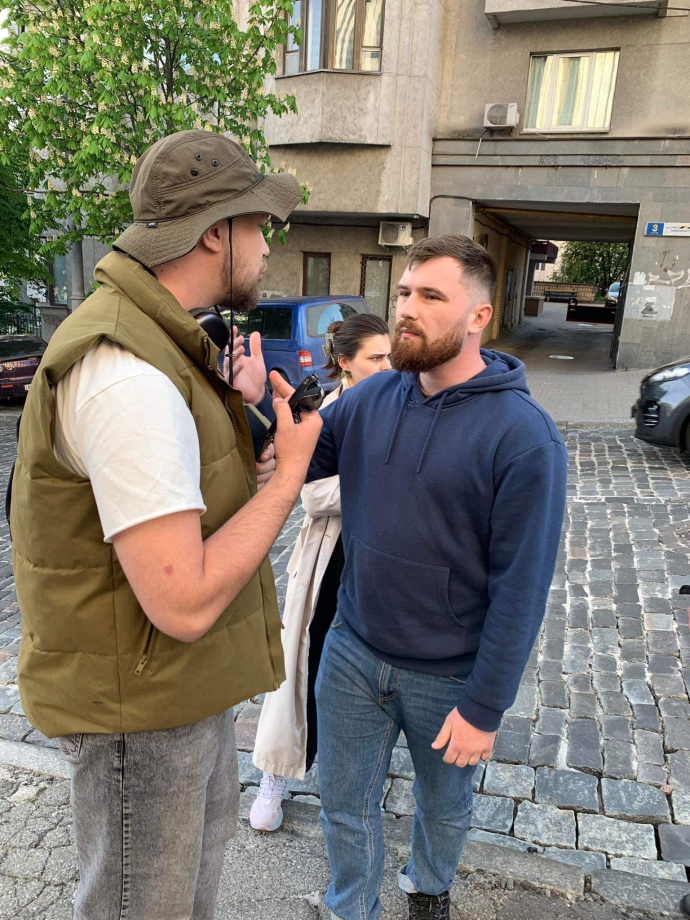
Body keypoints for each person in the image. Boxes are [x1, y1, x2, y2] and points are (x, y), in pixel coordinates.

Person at [10, 129, 323, 920]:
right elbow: (182, 602)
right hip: (142, 713)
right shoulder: (128, 374)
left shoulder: (168, 343)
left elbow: (184, 500)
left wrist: (246, 442)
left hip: (176, 693)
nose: (266, 245)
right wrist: (290, 475)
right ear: (215, 232)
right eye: (258, 225)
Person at [273, 235, 569, 920]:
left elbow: (522, 588)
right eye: (405, 292)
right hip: (353, 651)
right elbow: (304, 460)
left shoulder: (525, 437)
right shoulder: (372, 397)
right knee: (344, 803)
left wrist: (485, 708)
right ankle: (351, 908)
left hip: (451, 674)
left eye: (431, 296)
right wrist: (271, 412)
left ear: (478, 317)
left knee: (443, 805)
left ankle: (428, 889)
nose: (406, 308)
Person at [250, 313, 392, 832]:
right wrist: (387, 488)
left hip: (382, 560)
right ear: (345, 363)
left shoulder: (402, 407)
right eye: (376, 357)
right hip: (329, 558)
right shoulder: (323, 413)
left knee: (371, 674)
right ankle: (275, 775)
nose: (388, 367)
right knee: (304, 664)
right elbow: (310, 494)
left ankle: (360, 782)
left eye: (391, 356)